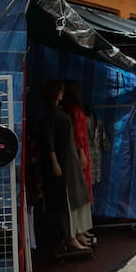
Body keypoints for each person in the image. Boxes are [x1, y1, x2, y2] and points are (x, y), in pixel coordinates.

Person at [41, 80, 94, 252]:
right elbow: (49, 141)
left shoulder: (59, 111)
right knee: (68, 199)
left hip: (70, 158)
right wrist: (54, 161)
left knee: (76, 196)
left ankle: (77, 232)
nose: (62, 94)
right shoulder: (50, 115)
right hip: (63, 159)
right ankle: (70, 236)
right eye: (60, 91)